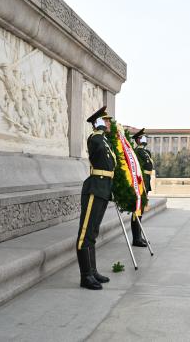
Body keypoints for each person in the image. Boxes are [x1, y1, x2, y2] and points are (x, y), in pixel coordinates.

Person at [76, 106, 116, 290]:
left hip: (103, 188)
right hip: (94, 187)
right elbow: (96, 144)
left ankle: (92, 271)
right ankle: (85, 276)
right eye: (105, 120)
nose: (109, 123)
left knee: (93, 231)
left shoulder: (105, 141)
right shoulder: (95, 138)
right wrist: (98, 128)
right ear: (98, 122)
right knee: (86, 232)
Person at [131, 128, 152, 248]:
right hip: (140, 182)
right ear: (138, 140)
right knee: (137, 210)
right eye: (143, 137)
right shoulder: (136, 152)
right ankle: (136, 238)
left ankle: (139, 236)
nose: (145, 139)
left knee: (141, 210)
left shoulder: (146, 152)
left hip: (146, 181)